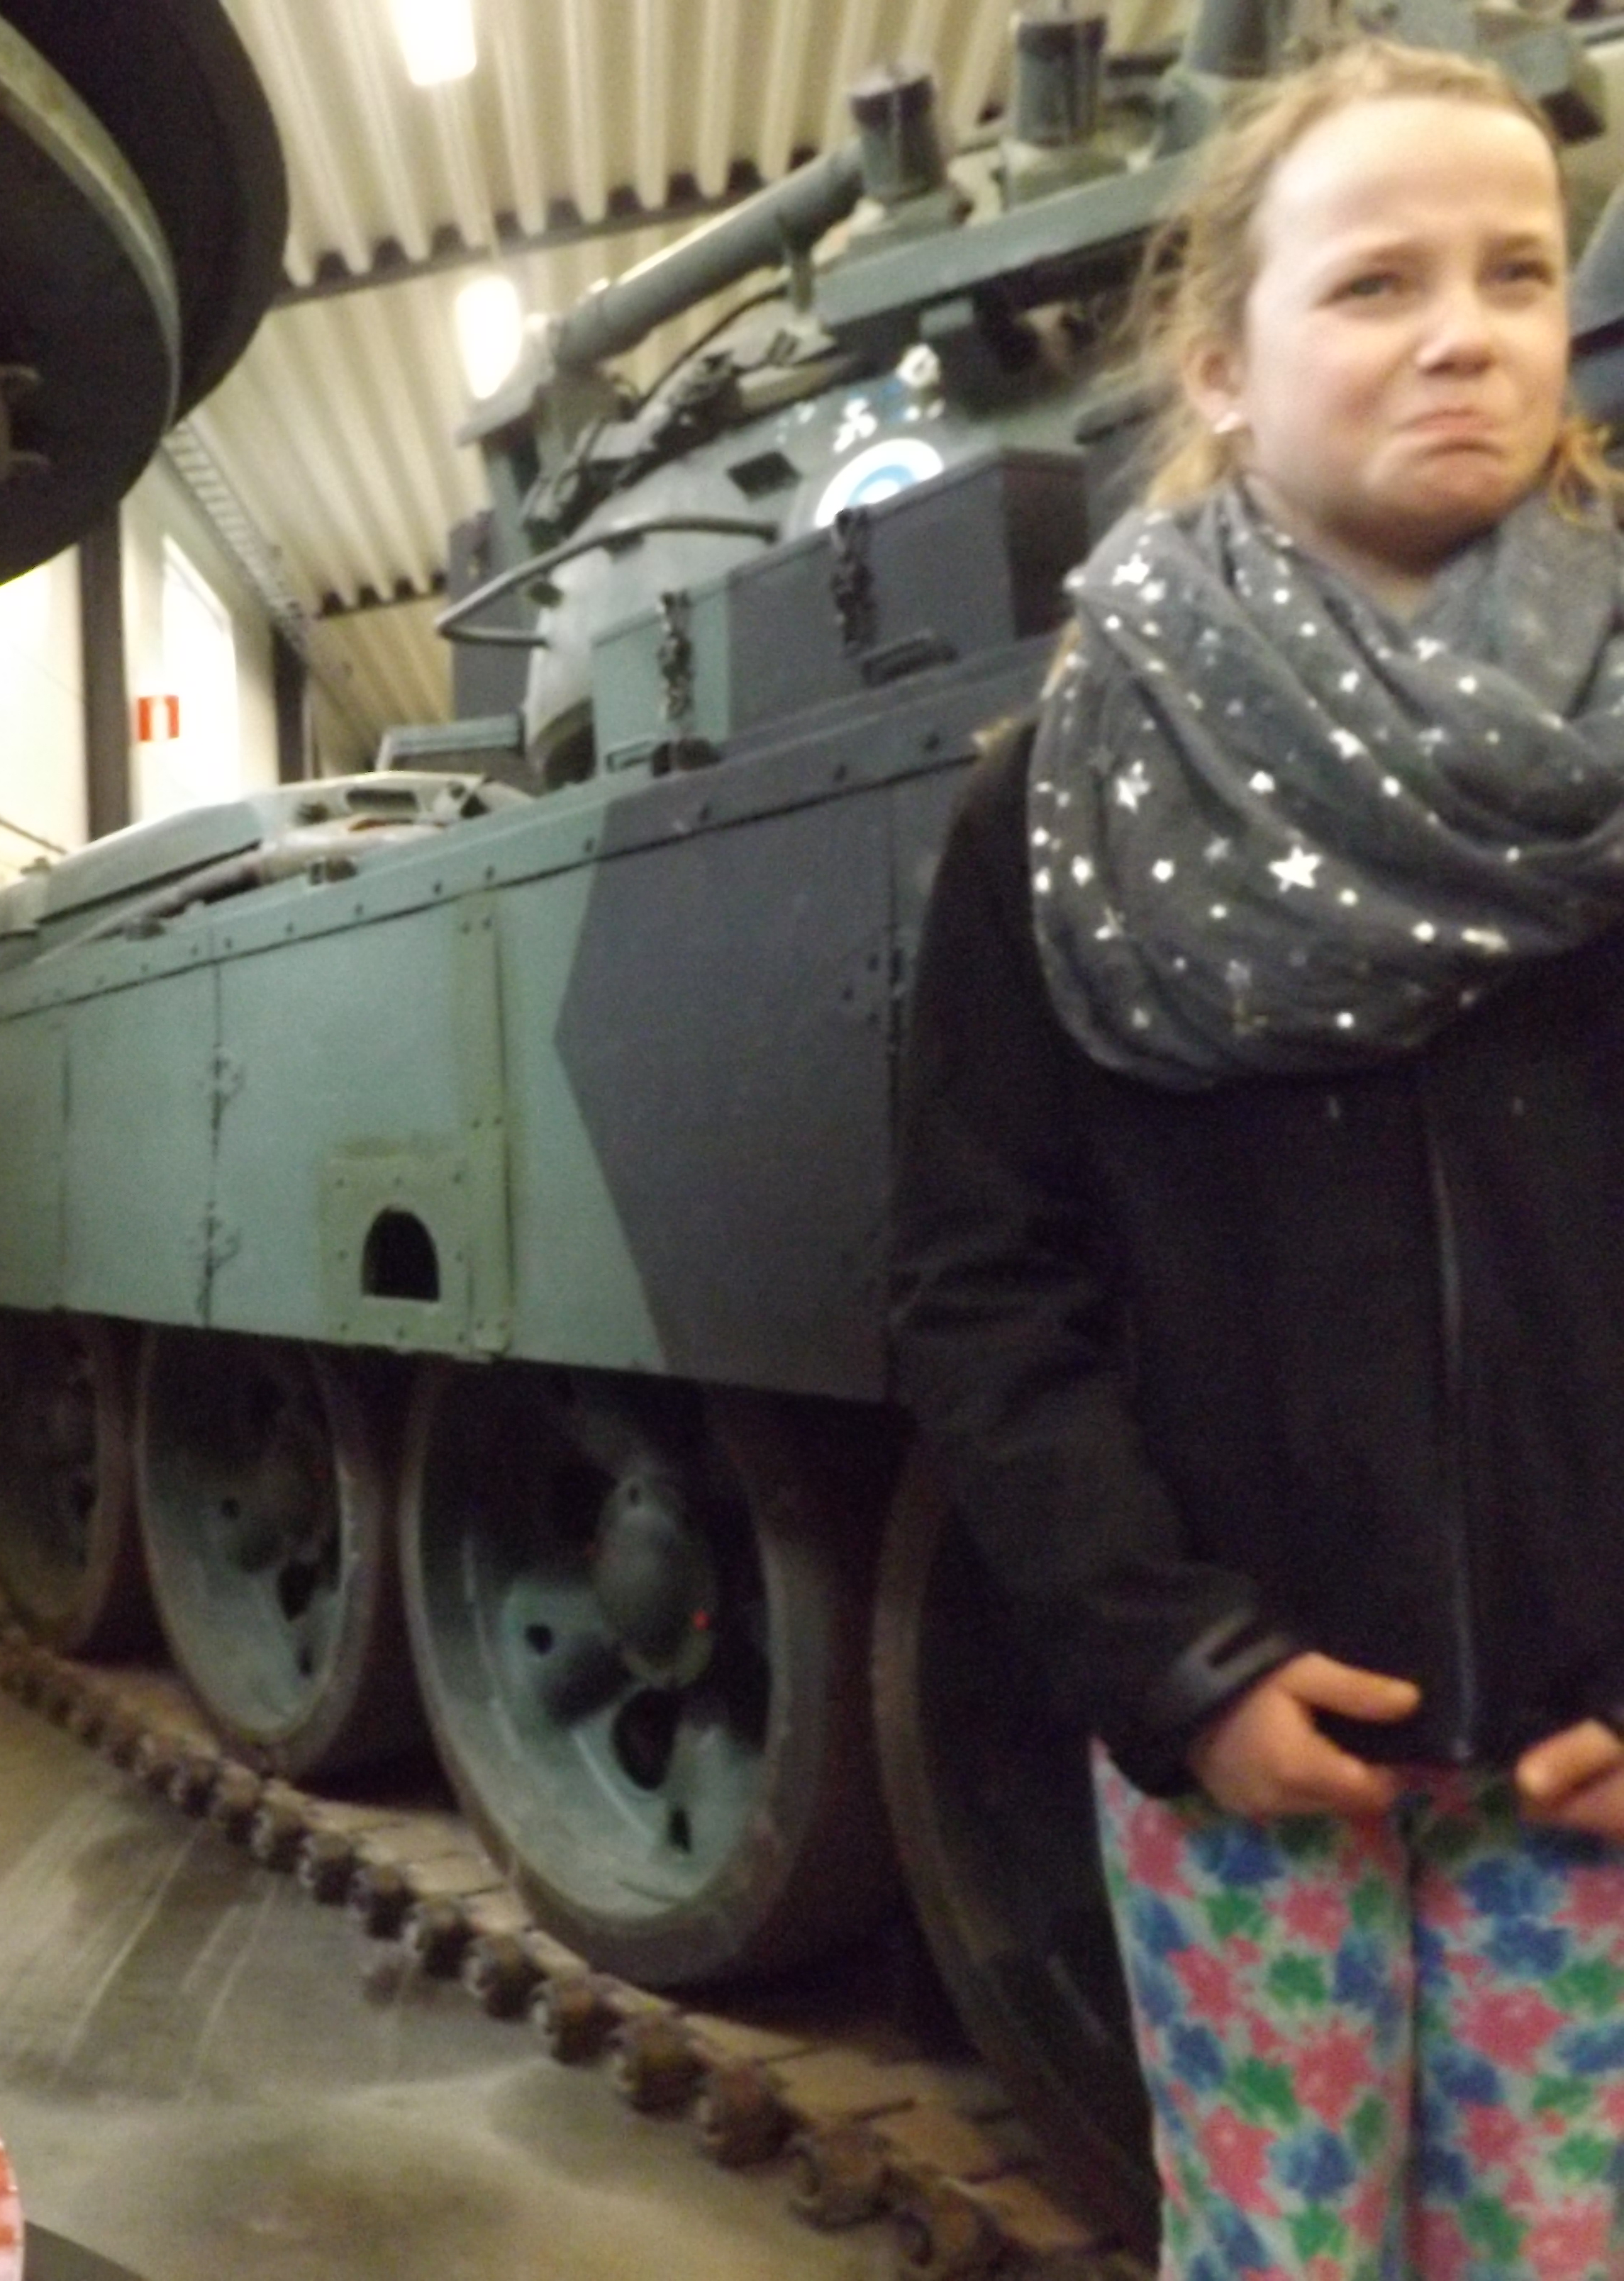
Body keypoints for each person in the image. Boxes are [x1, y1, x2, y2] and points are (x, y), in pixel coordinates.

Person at [892, 40, 1624, 2279]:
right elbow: (982, 1281)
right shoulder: (1059, 799)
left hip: (1591, 1747)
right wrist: (1177, 1664)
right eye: (1376, 282)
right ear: (1220, 363)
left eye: (1517, 271)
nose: (1465, 331)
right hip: (1255, 1746)